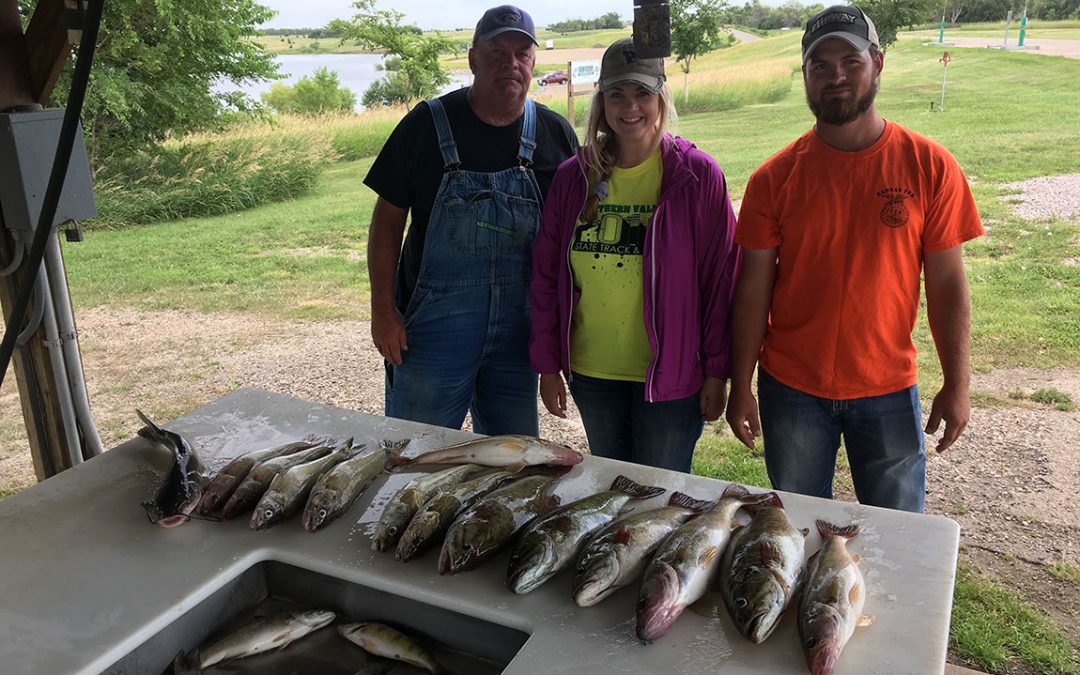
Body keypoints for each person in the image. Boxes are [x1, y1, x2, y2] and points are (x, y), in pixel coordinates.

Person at [725, 5, 984, 512]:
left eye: (850, 60)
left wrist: (957, 385)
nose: (836, 76)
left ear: (878, 64)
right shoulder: (773, 179)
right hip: (792, 388)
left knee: (897, 527)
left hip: (887, 386)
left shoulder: (929, 165)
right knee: (794, 528)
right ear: (804, 76)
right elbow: (752, 291)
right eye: (819, 65)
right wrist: (741, 385)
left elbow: (948, 285)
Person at [364, 5, 577, 435]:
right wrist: (382, 310)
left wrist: (556, 337)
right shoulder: (425, 125)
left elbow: (570, 240)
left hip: (520, 331)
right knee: (415, 451)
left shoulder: (556, 134)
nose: (510, 63)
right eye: (496, 51)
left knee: (513, 461)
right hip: (433, 329)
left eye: (521, 53)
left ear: (534, 62)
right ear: (472, 59)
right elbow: (387, 221)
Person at [530, 38, 741, 473]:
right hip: (593, 372)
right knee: (612, 489)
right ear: (602, 100)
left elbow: (721, 283)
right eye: (617, 95)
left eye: (642, 93)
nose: (631, 107)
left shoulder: (697, 176)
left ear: (661, 94)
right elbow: (547, 277)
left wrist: (718, 372)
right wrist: (548, 364)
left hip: (673, 376)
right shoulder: (574, 177)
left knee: (661, 497)